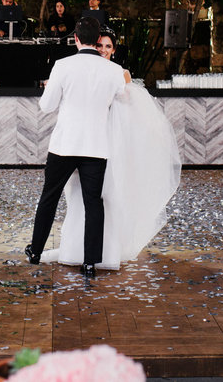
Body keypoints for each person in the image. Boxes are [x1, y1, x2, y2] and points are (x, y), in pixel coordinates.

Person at [40, 29, 182, 271]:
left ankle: (104, 253)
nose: (103, 50)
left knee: (104, 200)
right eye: (100, 45)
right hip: (84, 146)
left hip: (108, 148)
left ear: (114, 50)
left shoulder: (120, 74)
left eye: (108, 47)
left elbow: (131, 112)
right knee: (78, 199)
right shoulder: (88, 71)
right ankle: (75, 250)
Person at [25, 17, 127, 278]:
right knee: (94, 203)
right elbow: (123, 98)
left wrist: (52, 89)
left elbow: (47, 106)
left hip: (65, 145)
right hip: (96, 147)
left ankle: (35, 252)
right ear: (97, 40)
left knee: (50, 197)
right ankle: (91, 262)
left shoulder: (63, 66)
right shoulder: (113, 71)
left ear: (77, 39)